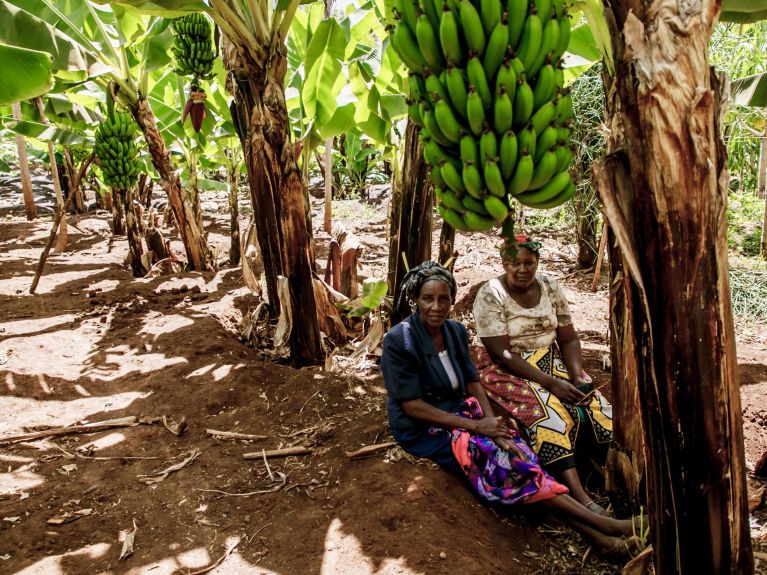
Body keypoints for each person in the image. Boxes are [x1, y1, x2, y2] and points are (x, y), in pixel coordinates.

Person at [382, 261, 636, 552]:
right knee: (506, 466)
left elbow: (473, 382)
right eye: (428, 299)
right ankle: (606, 527)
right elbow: (413, 406)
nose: (436, 306)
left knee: (520, 455)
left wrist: (495, 429)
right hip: (426, 428)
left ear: (452, 299)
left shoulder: (453, 331)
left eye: (444, 299)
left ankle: (598, 537)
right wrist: (478, 427)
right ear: (416, 299)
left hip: (462, 413)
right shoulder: (399, 340)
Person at [472, 235, 613, 516]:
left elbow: (569, 339)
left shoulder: (550, 286)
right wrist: (550, 383)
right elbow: (502, 353)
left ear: (537, 262)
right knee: (549, 415)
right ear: (503, 263)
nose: (522, 269)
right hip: (507, 367)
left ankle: (612, 481)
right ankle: (582, 499)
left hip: (550, 359)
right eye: (514, 263)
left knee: (597, 408)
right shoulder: (491, 294)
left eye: (529, 263)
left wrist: (576, 376)